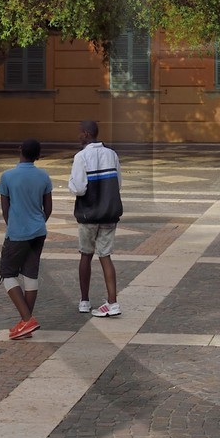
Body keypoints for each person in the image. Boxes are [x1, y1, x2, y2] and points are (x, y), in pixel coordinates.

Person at [0, 137, 53, 339]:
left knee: (8, 274)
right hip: (39, 231)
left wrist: (15, 225)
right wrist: (37, 222)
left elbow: (5, 209)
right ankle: (25, 324)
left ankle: (27, 319)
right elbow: (48, 208)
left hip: (17, 233)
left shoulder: (7, 176)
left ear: (19, 149)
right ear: (38, 156)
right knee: (30, 275)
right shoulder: (44, 176)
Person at [69, 120, 123, 317]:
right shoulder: (112, 154)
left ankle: (84, 301)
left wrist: (71, 184)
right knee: (105, 256)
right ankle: (113, 302)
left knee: (86, 255)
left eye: (79, 132)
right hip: (109, 213)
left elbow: (79, 188)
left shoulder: (81, 157)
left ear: (86, 134)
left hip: (88, 214)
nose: (78, 136)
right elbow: (118, 183)